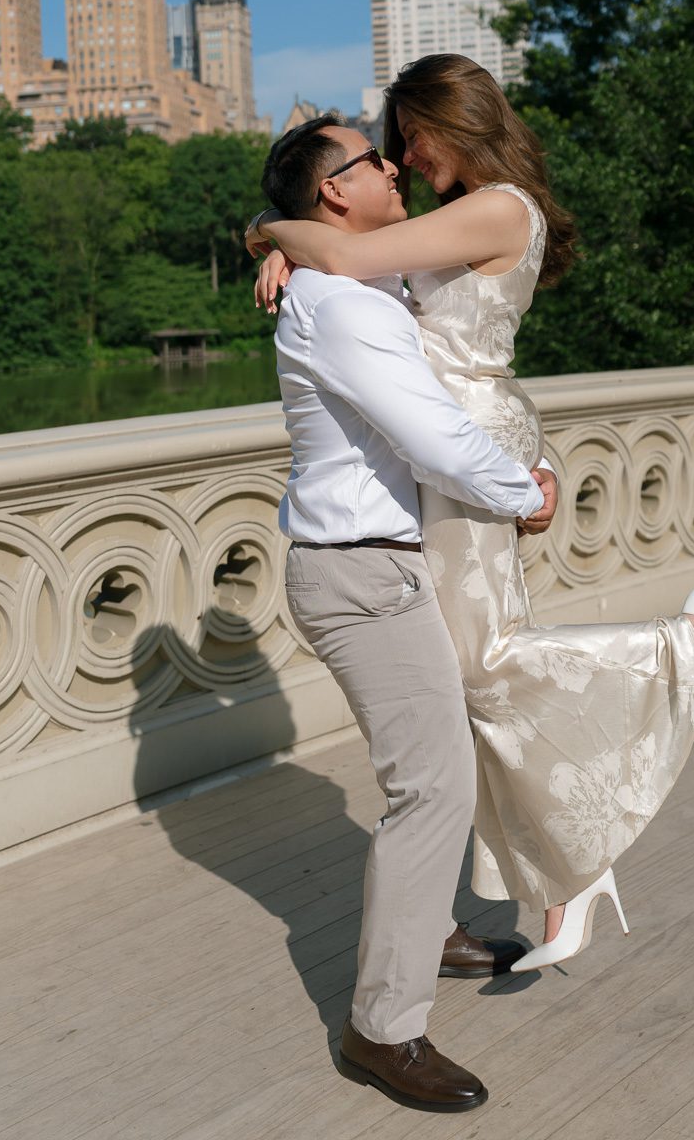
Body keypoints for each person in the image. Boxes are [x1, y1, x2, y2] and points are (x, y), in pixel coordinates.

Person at [249, 54, 694, 979]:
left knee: (482, 665)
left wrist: (266, 229)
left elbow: (345, 253)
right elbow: (350, 261)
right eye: (391, 150)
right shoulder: (462, 213)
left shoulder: (497, 207)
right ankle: (559, 877)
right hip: (456, 436)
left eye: (410, 140)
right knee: (469, 679)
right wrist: (288, 246)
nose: (405, 161)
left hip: (460, 437)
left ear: (454, 121)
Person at [263, 113, 561, 1114]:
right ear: (336, 192)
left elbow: (456, 360)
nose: (394, 165)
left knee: (440, 770)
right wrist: (523, 493)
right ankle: (380, 1027)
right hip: (360, 574)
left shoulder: (359, 277)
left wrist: (268, 236)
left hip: (388, 566)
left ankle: (427, 930)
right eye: (371, 158)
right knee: (428, 789)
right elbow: (428, 433)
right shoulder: (342, 307)